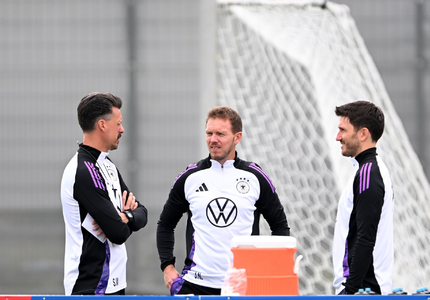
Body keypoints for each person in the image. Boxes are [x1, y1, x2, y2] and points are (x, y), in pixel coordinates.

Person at [156, 106, 290, 295]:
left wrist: (267, 271)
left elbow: (280, 227)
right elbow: (165, 224)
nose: (213, 140)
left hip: (243, 287)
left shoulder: (255, 177)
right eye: (209, 133)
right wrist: (167, 267)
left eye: (220, 134)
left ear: (237, 137)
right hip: (195, 285)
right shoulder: (190, 177)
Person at [60, 92, 148, 295]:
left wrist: (126, 216)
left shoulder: (106, 165)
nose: (122, 130)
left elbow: (142, 213)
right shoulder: (83, 171)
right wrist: (125, 220)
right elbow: (117, 233)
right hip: (91, 286)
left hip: (115, 284)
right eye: (118, 124)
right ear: (102, 125)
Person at [332, 100, 394, 295]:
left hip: (363, 291)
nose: (337, 137)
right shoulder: (366, 170)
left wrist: (350, 292)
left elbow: (365, 238)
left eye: (343, 130)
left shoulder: (369, 173)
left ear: (363, 133)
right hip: (362, 290)